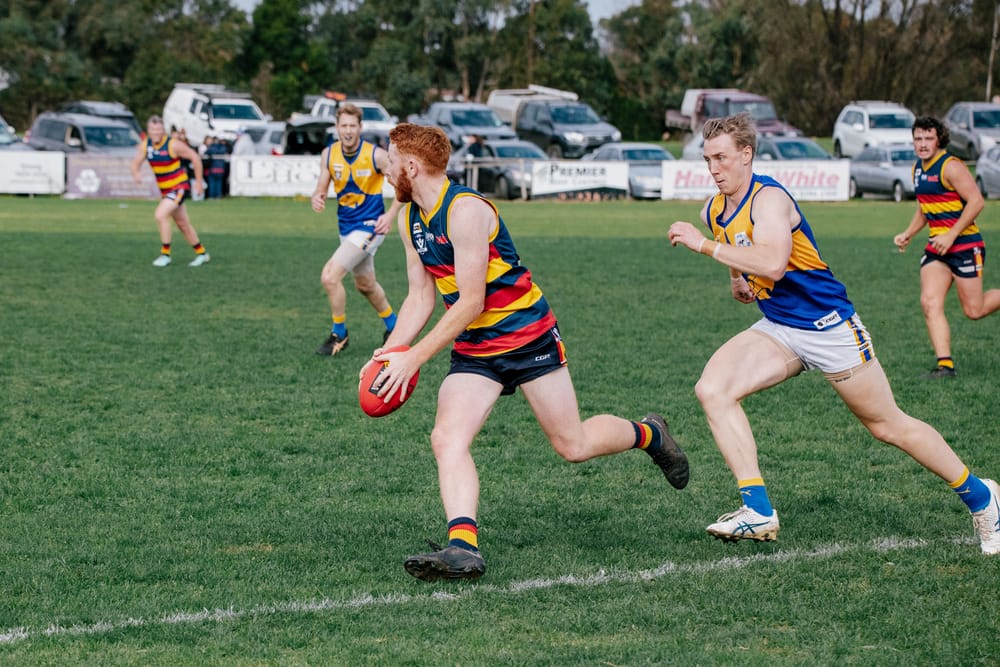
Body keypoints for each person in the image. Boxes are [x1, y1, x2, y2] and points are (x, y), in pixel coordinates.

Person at [367, 123, 690, 582]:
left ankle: (650, 434)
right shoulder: (407, 218)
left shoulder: (465, 211)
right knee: (446, 438)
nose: (385, 167)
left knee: (572, 445)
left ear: (412, 167)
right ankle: (463, 545)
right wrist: (389, 351)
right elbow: (420, 297)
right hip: (476, 347)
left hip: (527, 336)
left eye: (391, 160)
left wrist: (414, 357)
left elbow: (473, 301)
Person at [667, 112, 999, 555]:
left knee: (888, 426)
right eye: (708, 159)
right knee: (713, 388)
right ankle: (758, 509)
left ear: (746, 154)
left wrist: (703, 245)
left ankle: (983, 497)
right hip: (780, 327)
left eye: (721, 158)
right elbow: (741, 252)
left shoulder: (769, 199)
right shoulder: (713, 208)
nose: (713, 168)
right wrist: (734, 279)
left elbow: (772, 263)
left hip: (829, 328)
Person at [893, 116, 1000, 379]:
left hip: (964, 245)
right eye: (918, 138)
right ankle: (945, 365)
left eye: (928, 138)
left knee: (973, 311)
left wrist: (951, 235)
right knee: (929, 302)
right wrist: (908, 233)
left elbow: (976, 202)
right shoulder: (917, 168)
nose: (922, 144)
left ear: (939, 139)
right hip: (937, 249)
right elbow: (925, 207)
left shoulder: (950, 166)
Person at [310, 104, 401, 355]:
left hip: (370, 227)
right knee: (365, 284)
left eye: (353, 126)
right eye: (344, 126)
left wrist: (390, 215)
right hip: (346, 228)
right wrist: (317, 196)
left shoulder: (376, 156)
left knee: (330, 276)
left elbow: (403, 186)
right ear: (337, 127)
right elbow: (321, 185)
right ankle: (394, 327)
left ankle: (339, 334)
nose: (348, 131)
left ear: (360, 128)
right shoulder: (329, 155)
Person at [130, 115, 210, 267]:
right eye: (153, 129)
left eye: (158, 129)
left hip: (179, 186)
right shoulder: (145, 145)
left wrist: (199, 182)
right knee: (182, 224)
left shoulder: (173, 145)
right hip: (166, 190)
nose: (156, 132)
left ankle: (165, 254)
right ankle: (202, 253)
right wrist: (136, 174)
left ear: (163, 130)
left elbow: (195, 158)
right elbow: (135, 163)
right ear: (148, 130)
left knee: (161, 215)